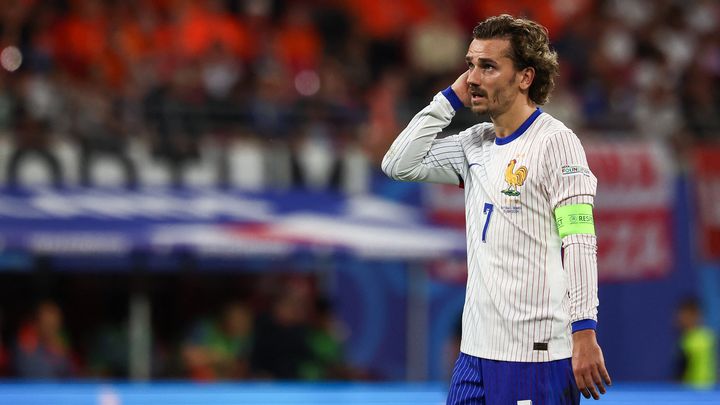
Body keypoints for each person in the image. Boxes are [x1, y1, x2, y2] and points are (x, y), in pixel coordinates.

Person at [382, 14, 611, 403]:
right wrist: (450, 98)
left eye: (488, 66)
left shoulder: (556, 143)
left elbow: (579, 240)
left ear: (525, 77)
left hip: (534, 356)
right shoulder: (474, 143)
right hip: (474, 354)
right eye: (470, 64)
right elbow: (398, 163)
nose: (473, 77)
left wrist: (584, 330)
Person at [674, 297, 717, 388]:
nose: (680, 318)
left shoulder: (689, 341)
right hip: (706, 391)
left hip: (694, 393)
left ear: (696, 315)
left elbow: (680, 372)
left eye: (685, 315)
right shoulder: (709, 337)